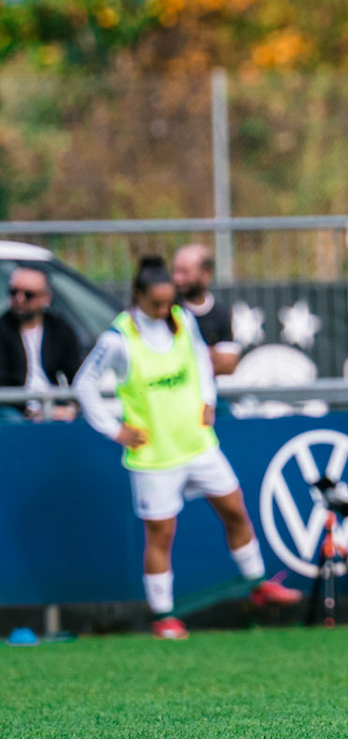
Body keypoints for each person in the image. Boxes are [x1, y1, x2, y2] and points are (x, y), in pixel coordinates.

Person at [72, 257, 299, 638]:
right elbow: (83, 385)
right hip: (154, 456)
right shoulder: (118, 338)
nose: (164, 310)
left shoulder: (182, 320)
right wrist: (114, 429)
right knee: (161, 535)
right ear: (138, 296)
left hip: (197, 443)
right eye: (156, 303)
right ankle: (164, 616)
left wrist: (207, 399)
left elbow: (201, 363)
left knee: (234, 507)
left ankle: (257, 583)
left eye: (168, 302)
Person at [1, 264, 85, 421]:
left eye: (28, 295)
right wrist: (32, 413)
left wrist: (73, 406)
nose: (19, 299)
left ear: (46, 298)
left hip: (53, 403)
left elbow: (77, 373)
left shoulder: (59, 328)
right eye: (14, 292)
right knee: (12, 420)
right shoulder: (2, 328)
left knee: (86, 418)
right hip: (14, 408)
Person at [171, 244, 241, 377]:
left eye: (185, 272)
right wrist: (210, 353)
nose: (177, 279)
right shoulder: (167, 310)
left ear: (206, 274)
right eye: (175, 271)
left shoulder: (220, 314)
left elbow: (228, 364)